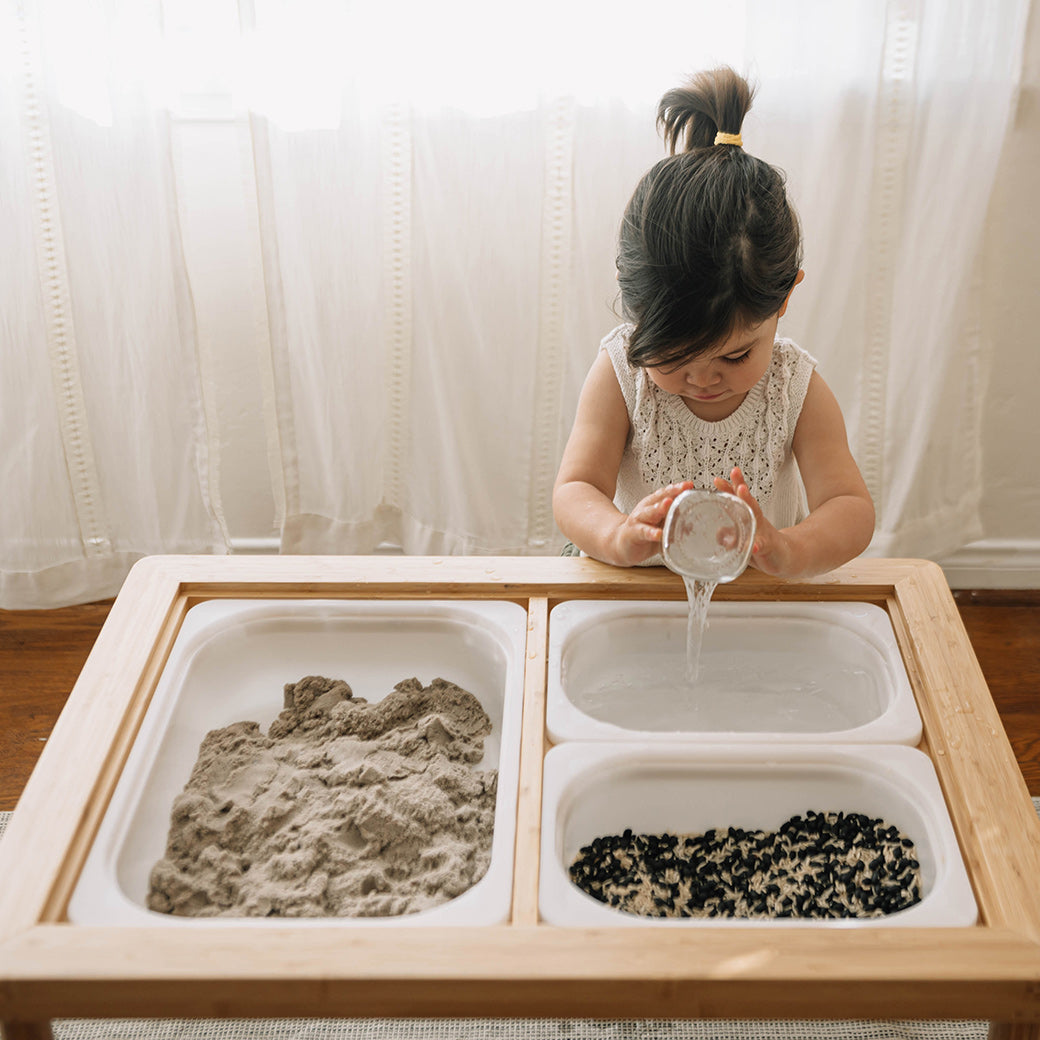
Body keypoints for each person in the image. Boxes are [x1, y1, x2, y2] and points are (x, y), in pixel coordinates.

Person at [553, 67, 874, 579]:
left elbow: (850, 509)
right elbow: (576, 489)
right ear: (635, 311)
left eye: (734, 355)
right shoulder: (620, 374)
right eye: (674, 357)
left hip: (752, 594)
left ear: (786, 297)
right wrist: (615, 535)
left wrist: (787, 547)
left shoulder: (793, 388)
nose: (702, 379)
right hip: (635, 586)